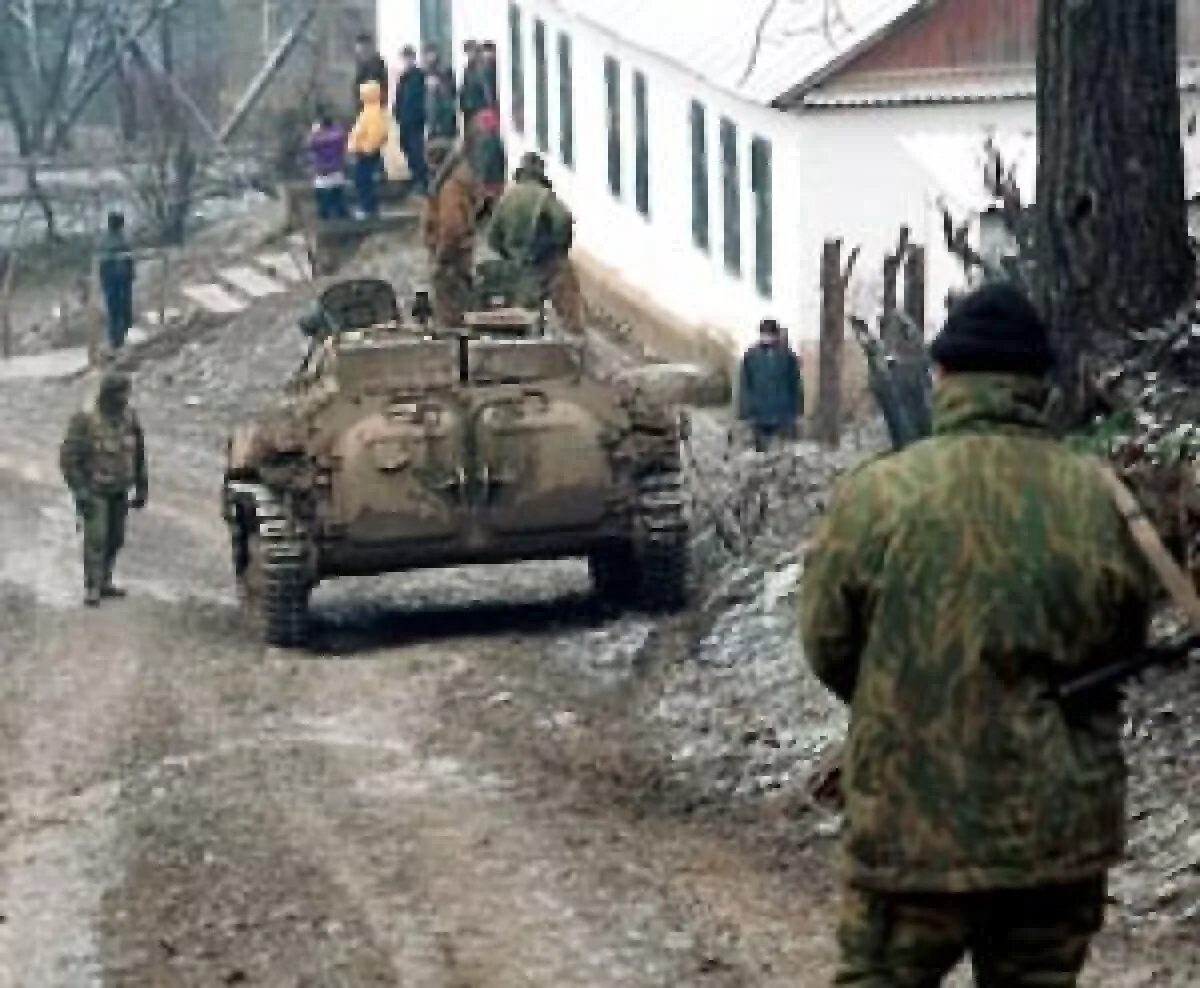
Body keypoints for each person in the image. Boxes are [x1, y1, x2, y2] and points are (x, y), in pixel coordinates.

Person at [799, 283, 1152, 987]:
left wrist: (907, 691)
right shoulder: (1098, 496)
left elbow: (828, 643)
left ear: (944, 376)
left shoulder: (881, 495)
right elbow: (1122, 641)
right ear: (1040, 385)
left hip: (911, 830)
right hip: (1053, 838)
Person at [60, 371, 149, 608]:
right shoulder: (86, 419)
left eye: (126, 393)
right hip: (94, 489)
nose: (124, 399)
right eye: (119, 394)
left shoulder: (130, 417)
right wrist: (80, 490)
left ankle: (106, 581)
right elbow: (69, 458)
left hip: (120, 489)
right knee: (96, 537)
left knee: (116, 538)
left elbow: (139, 453)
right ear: (108, 394)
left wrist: (142, 486)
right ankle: (92, 586)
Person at [487, 152, 584, 335]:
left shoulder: (506, 199)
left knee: (524, 312)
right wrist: (559, 246)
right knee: (569, 307)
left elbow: (492, 238)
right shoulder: (545, 196)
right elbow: (564, 220)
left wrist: (509, 253)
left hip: (518, 265)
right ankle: (574, 347)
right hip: (548, 261)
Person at [423, 150, 481, 327]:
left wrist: (442, 254)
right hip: (459, 253)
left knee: (448, 305)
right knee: (458, 297)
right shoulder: (459, 183)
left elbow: (452, 226)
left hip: (451, 256)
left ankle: (452, 342)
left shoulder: (450, 189)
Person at [736, 319, 803, 451]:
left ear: (776, 335)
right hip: (758, 412)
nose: (766, 338)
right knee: (761, 452)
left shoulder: (788, 356)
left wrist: (798, 410)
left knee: (782, 452)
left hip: (783, 413)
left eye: (769, 334)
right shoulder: (750, 355)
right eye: (763, 334)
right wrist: (744, 410)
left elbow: (795, 384)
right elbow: (744, 384)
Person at [347, 80, 389, 218]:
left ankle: (368, 208)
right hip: (363, 151)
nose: (360, 96)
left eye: (363, 93)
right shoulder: (369, 110)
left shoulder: (373, 112)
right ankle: (367, 207)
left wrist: (367, 148)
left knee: (363, 180)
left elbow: (377, 133)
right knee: (362, 180)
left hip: (366, 152)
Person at [393, 46, 428, 194]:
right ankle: (415, 178)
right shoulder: (403, 77)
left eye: (409, 58)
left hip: (415, 120)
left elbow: (419, 99)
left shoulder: (418, 75)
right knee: (406, 148)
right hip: (404, 120)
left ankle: (421, 180)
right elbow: (399, 97)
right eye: (404, 58)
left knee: (416, 150)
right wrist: (396, 112)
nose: (407, 61)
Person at [97, 211, 136, 351]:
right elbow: (129, 260)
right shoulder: (123, 241)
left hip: (110, 279)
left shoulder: (103, 241)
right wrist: (131, 275)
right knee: (123, 308)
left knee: (113, 309)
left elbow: (100, 263)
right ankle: (120, 337)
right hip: (121, 279)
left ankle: (115, 339)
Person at [307, 113, 349, 221]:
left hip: (322, 170)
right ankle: (342, 215)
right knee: (338, 194)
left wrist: (314, 131)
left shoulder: (317, 137)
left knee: (322, 196)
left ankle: (324, 216)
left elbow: (310, 145)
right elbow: (344, 141)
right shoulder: (338, 134)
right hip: (336, 168)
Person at [459, 40, 491, 126]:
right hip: (469, 110)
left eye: (470, 51)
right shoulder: (467, 69)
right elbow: (465, 89)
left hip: (479, 110)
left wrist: (487, 107)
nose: (469, 55)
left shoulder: (482, 69)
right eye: (467, 52)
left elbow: (486, 90)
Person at [353, 33, 389, 108]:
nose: (359, 50)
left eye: (362, 47)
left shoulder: (378, 63)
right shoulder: (359, 64)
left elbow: (383, 87)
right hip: (361, 108)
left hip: (373, 107)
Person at [426, 70, 459, 144]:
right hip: (446, 131)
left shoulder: (435, 97)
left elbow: (432, 115)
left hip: (441, 131)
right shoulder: (447, 96)